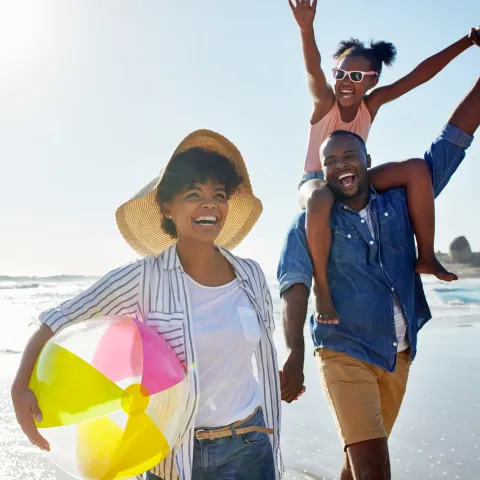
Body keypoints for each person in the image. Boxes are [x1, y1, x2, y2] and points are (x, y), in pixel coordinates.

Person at [11, 130, 287, 480]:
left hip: (249, 444)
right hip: (172, 454)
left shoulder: (250, 274)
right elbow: (62, 317)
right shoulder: (144, 278)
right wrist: (20, 386)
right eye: (193, 194)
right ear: (167, 208)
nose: (209, 204)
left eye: (218, 195)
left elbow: (257, 350)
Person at [278, 75, 480, 480]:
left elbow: (453, 141)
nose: (340, 166)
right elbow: (294, 287)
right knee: (374, 468)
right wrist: (295, 354)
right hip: (343, 352)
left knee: (358, 466)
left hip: (397, 356)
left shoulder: (403, 202)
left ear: (367, 161)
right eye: (330, 161)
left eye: (349, 156)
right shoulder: (311, 223)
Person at [289, 0, 480, 322]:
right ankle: (322, 289)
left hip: (356, 176)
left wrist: (467, 41)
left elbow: (418, 77)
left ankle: (427, 256)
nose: (345, 82)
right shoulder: (325, 103)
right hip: (316, 179)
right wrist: (306, 30)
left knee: (417, 169)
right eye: (340, 74)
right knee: (321, 195)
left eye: (355, 76)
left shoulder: (371, 104)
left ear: (372, 80)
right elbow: (312, 69)